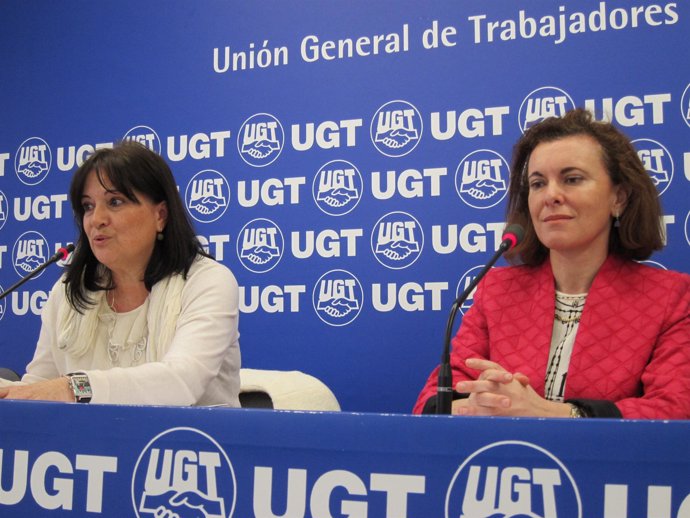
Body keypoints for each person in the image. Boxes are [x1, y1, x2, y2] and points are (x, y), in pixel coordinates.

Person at [413, 108, 690, 419]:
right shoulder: (497, 290)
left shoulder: (673, 298)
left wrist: (549, 412)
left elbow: (674, 410)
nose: (551, 196)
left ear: (619, 198)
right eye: (537, 184)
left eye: (572, 179)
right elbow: (433, 399)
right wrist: (482, 406)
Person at [0, 141, 241, 406]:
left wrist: (73, 387)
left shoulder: (207, 282)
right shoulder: (69, 291)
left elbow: (181, 382)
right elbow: (39, 388)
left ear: (160, 215)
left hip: (189, 444)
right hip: (89, 446)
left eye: (115, 202)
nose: (96, 219)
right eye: (88, 206)